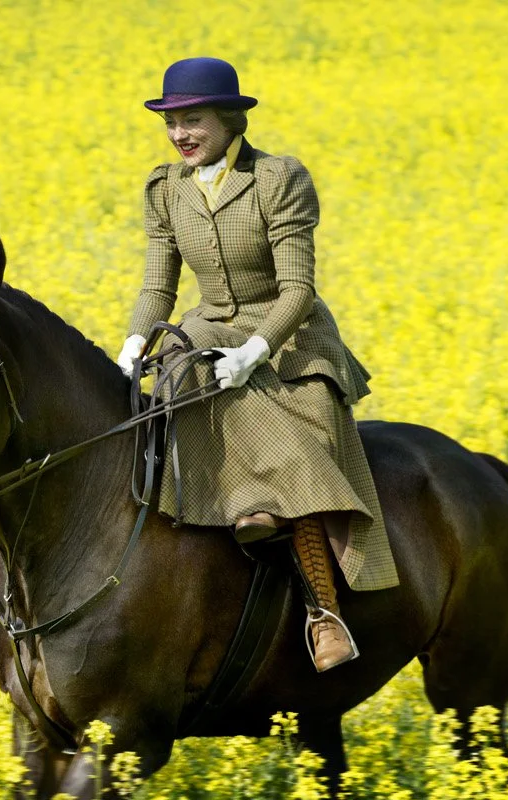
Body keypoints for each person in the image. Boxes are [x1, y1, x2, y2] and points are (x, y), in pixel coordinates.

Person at [115, 56, 399, 671]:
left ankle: (325, 616)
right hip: (206, 329)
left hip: (287, 336)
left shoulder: (278, 179)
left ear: (229, 118)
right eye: (170, 122)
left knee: (293, 447)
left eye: (192, 120)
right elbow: (157, 287)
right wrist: (134, 343)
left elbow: (297, 289)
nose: (179, 134)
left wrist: (252, 353)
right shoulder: (165, 189)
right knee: (153, 418)